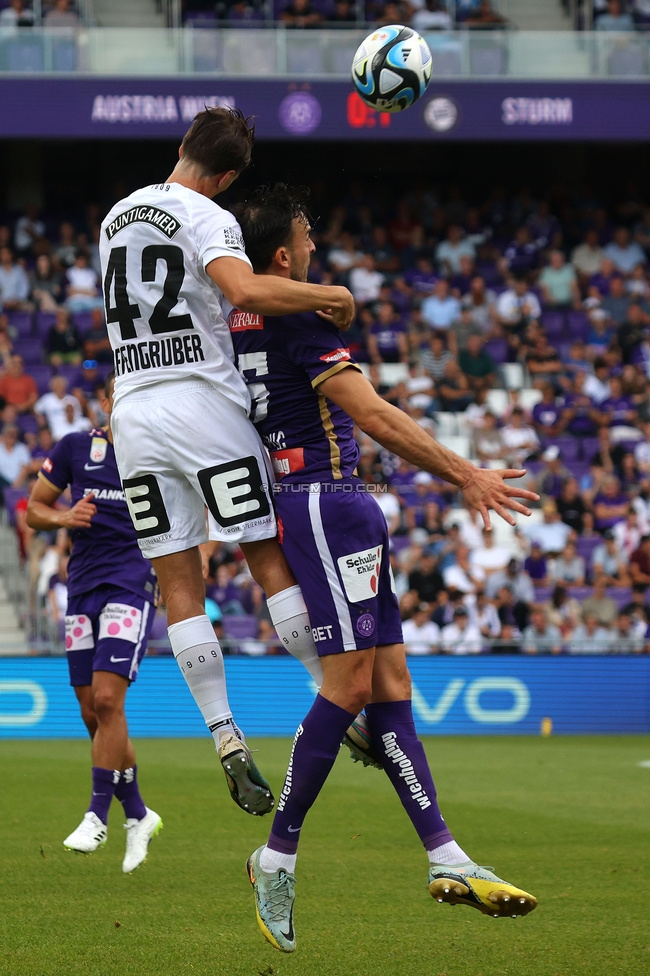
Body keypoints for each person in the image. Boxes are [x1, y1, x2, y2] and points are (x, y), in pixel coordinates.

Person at [230, 184, 538, 953]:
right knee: (349, 687)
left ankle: (448, 857)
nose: (314, 246)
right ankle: (276, 855)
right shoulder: (297, 315)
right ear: (281, 256)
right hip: (326, 503)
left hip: (326, 503)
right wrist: (467, 472)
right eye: (306, 238)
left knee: (390, 684)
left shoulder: (245, 317)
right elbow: (374, 415)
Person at [99, 108, 356, 818]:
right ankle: (331, 692)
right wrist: (327, 294)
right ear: (230, 175)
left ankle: (225, 736)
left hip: (134, 412)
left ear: (181, 147)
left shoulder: (117, 216)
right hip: (202, 405)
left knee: (177, 577)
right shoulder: (207, 216)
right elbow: (243, 292)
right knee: (262, 551)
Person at [25, 374, 162, 872]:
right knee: (91, 713)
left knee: (108, 700)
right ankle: (140, 814)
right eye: (118, 396)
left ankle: (96, 814)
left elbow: (198, 516)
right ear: (105, 402)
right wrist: (64, 518)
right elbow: (34, 511)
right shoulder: (74, 448)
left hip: (131, 585)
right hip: (82, 587)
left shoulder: (160, 453)